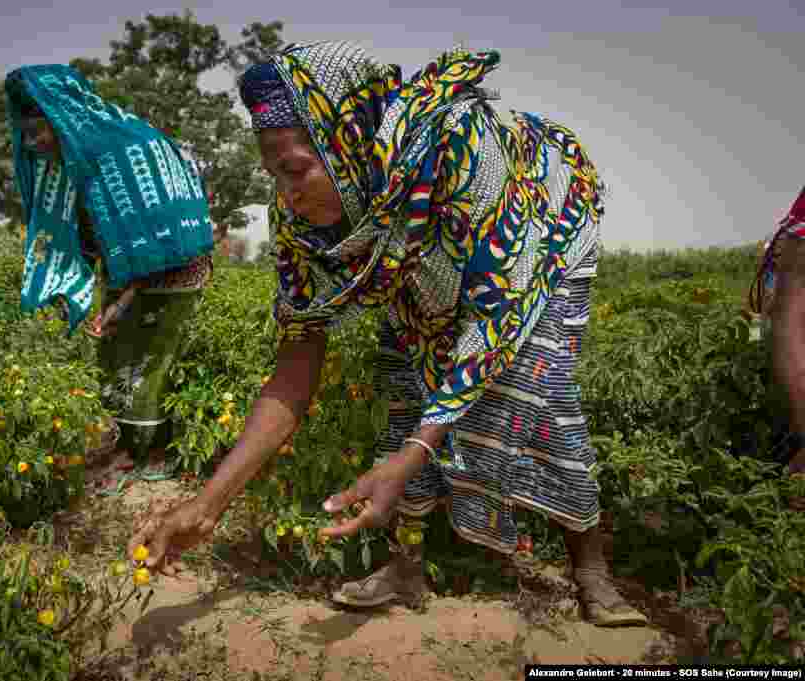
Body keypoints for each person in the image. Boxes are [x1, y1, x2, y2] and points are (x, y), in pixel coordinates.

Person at [129, 40, 648, 627]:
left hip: (541, 232)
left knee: (538, 384)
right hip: (411, 249)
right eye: (273, 173)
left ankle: (591, 571)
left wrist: (420, 448)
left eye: (295, 169)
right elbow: (297, 360)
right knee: (407, 379)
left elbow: (496, 316)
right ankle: (407, 567)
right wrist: (208, 504)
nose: (286, 192)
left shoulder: (461, 148)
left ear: (343, 143)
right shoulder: (304, 220)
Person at [5, 64, 214, 482]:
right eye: (27, 135)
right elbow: (86, 234)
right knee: (114, 357)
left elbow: (152, 244)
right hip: (125, 274)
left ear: (62, 124)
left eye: (39, 133)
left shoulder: (124, 149)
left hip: (172, 273)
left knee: (149, 364)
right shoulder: (77, 163)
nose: (33, 145)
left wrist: (119, 303)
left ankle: (150, 455)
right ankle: (126, 447)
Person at [751, 186, 805, 506]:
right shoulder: (767, 277)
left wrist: (756, 342)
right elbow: (755, 314)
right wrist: (755, 342)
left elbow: (760, 315)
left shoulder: (780, 264)